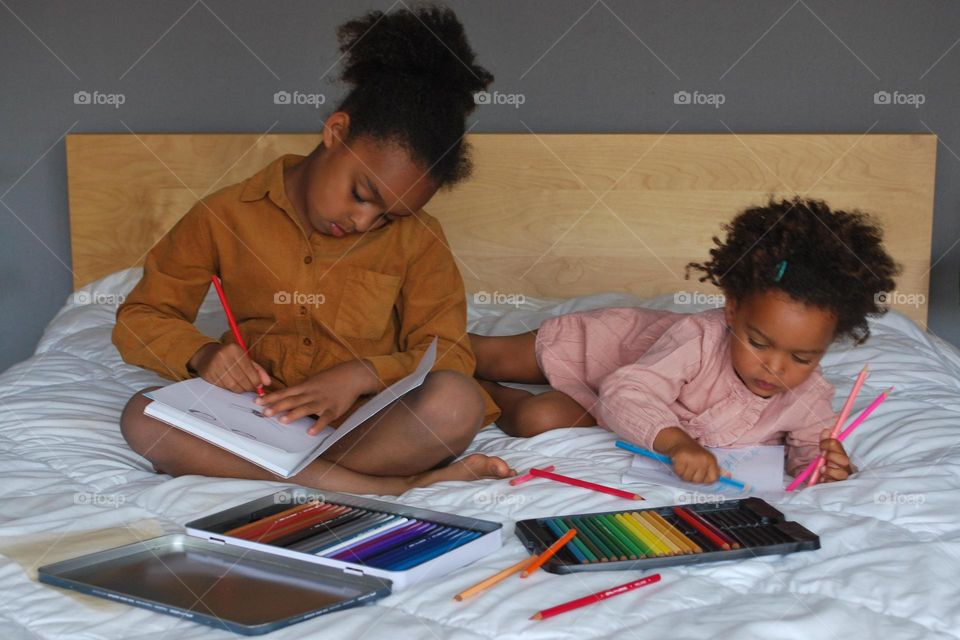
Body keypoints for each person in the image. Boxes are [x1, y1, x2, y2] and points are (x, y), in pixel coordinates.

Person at [114, 5, 514, 495]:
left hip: (368, 424)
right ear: (336, 132)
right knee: (142, 414)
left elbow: (448, 353)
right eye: (363, 195)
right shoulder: (224, 215)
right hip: (260, 414)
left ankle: (303, 474)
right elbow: (141, 317)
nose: (363, 222)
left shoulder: (420, 240)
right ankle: (386, 488)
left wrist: (361, 375)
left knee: (456, 403)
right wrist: (201, 355)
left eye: (388, 216)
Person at [472, 197, 900, 484]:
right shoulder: (698, 338)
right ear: (732, 309)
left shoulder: (809, 396)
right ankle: (422, 347)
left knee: (538, 419)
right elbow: (626, 389)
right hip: (606, 352)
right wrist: (678, 443)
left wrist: (824, 468)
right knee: (484, 354)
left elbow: (807, 453)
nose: (776, 367)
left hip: (612, 413)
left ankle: (480, 394)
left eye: (803, 357)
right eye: (759, 343)